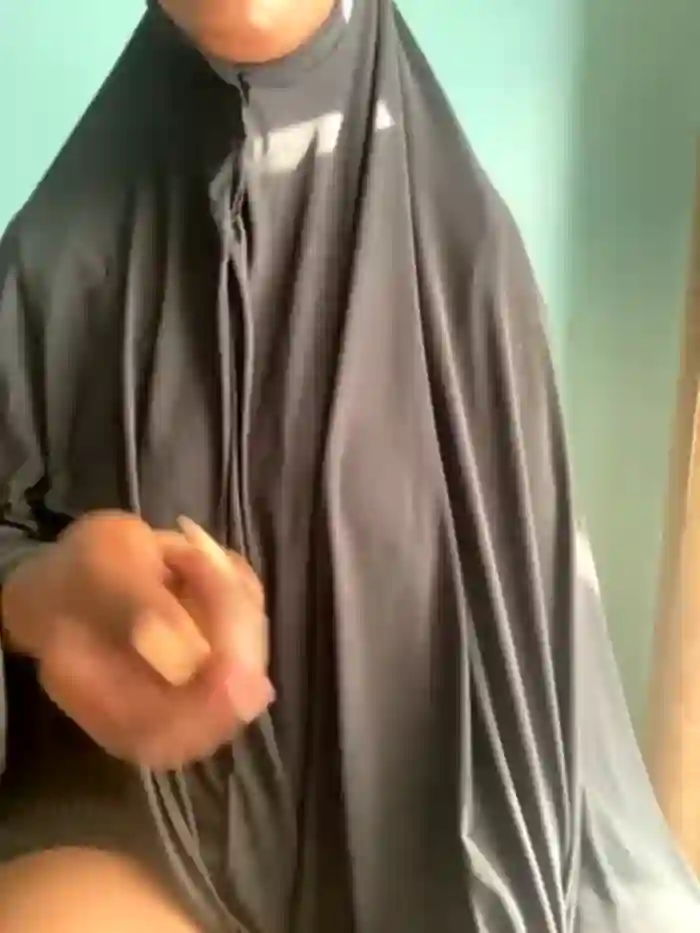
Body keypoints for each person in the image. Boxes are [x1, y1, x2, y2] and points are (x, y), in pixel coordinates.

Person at [0, 1, 699, 931]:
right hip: (136, 844)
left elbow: (536, 705)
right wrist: (42, 593)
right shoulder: (55, 262)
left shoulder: (464, 278)